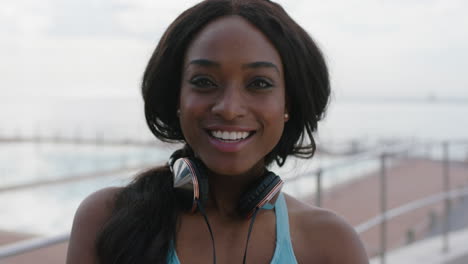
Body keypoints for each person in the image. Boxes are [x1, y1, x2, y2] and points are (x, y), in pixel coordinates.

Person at [66, 0, 369, 263]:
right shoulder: (105, 218)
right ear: (177, 98)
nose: (228, 107)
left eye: (259, 83)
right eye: (204, 82)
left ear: (288, 103)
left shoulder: (331, 244)